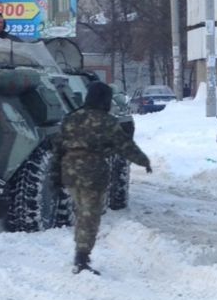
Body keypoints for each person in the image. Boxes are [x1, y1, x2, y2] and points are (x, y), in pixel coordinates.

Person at [57, 81, 151, 275]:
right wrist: (143, 161)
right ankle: (81, 258)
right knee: (90, 216)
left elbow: (58, 147)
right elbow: (124, 145)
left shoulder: (71, 118)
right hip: (93, 172)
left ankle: (80, 253)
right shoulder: (106, 120)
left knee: (82, 212)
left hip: (71, 172)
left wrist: (54, 175)